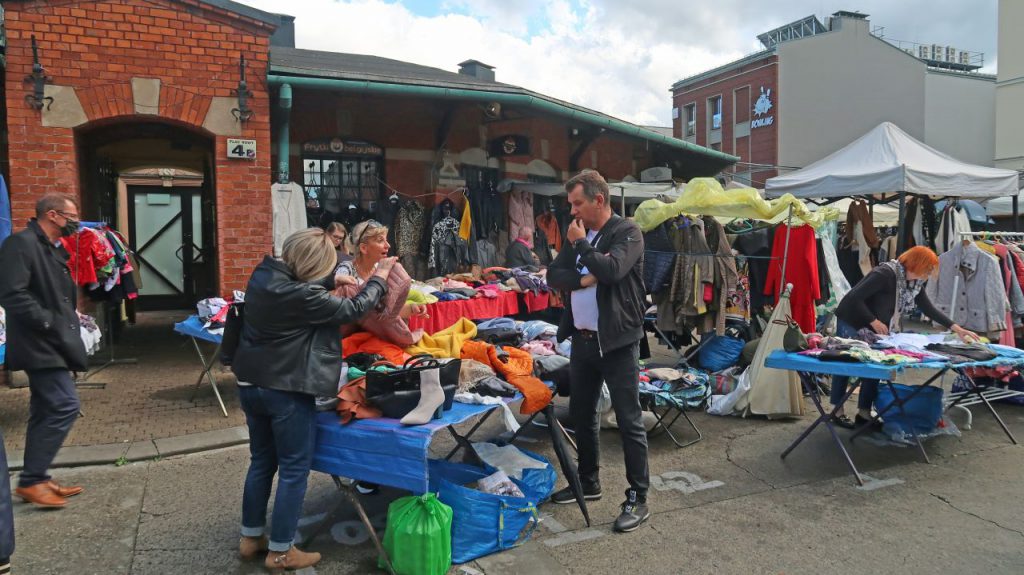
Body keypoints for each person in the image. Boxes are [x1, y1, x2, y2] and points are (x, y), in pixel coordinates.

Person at [231, 227, 396, 571]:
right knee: (294, 468)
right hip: (284, 388)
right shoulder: (300, 296)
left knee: (262, 461)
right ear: (312, 263)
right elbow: (355, 309)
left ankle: (251, 538)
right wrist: (379, 276)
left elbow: (298, 292)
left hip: (251, 383)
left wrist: (328, 284)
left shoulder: (264, 275)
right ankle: (281, 551)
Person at [546, 170, 650, 533]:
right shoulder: (579, 234)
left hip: (618, 342)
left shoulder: (627, 232)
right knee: (581, 413)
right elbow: (552, 276)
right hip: (583, 341)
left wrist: (583, 248)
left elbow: (613, 269)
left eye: (577, 203)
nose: (572, 211)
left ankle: (638, 496)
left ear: (598, 200)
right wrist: (582, 277)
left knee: (628, 420)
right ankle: (588, 481)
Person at [0, 193, 88, 509]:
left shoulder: (48, 247)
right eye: (72, 216)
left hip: (51, 341)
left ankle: (33, 477)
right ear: (53, 215)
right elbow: (12, 294)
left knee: (43, 409)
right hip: (39, 342)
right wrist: (49, 322)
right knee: (64, 405)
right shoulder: (21, 244)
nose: (76, 222)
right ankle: (33, 480)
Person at [830, 246, 979, 428]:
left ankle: (864, 413)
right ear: (917, 265)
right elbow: (852, 298)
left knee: (876, 365)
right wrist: (873, 321)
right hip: (852, 321)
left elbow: (928, 308)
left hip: (874, 328)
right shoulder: (884, 274)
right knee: (845, 364)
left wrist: (957, 329)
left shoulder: (913, 284)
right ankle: (837, 411)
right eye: (927, 269)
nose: (928, 274)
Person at [340, 220, 428, 321]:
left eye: (386, 240)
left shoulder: (379, 268)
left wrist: (412, 308)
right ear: (364, 248)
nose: (388, 245)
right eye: (380, 240)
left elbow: (382, 313)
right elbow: (348, 313)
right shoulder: (345, 270)